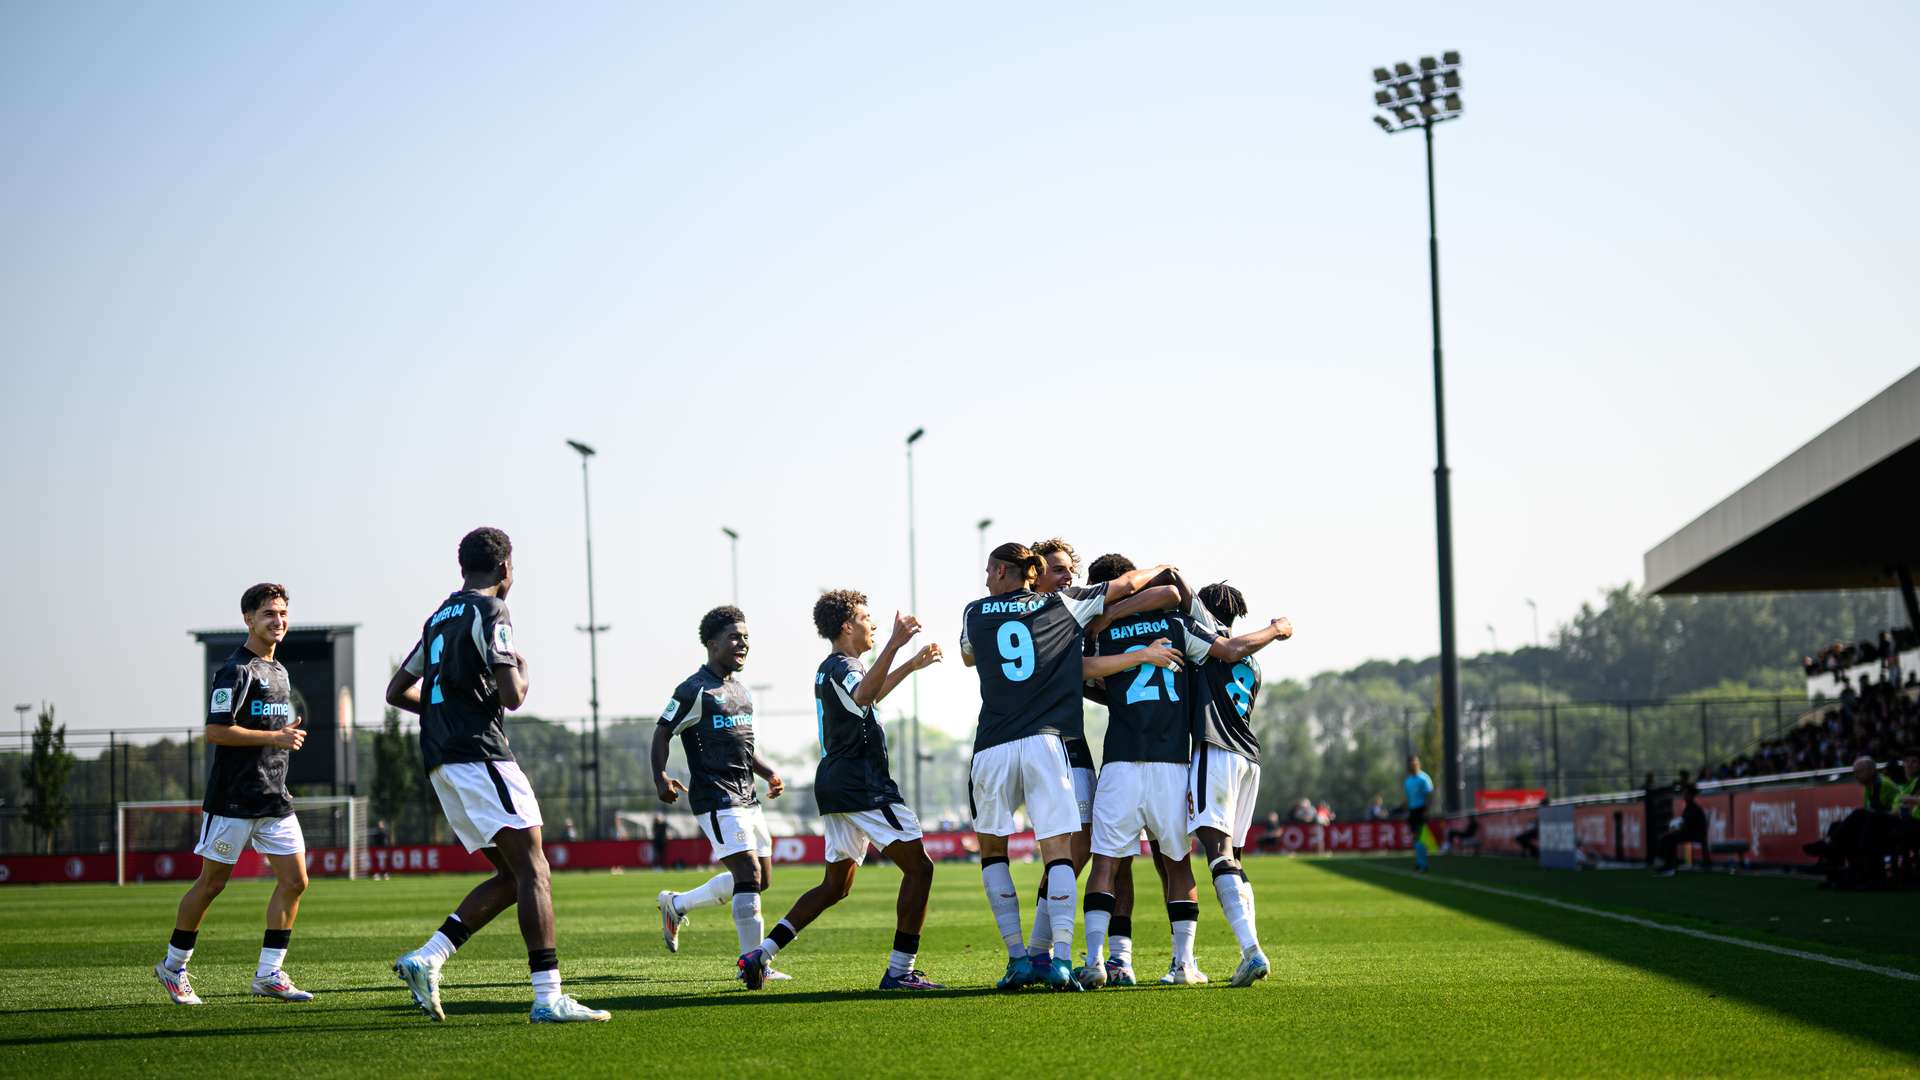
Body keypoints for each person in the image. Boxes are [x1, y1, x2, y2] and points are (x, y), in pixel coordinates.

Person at [388, 528, 609, 1023]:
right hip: (481, 755)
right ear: (506, 568)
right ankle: (549, 997)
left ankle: (429, 957)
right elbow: (512, 695)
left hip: (442, 760)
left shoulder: (437, 619)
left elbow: (397, 690)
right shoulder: (492, 611)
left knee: (513, 876)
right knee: (535, 871)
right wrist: (523, 672)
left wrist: (447, 712)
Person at [962, 540, 1177, 991]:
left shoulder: (973, 612)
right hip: (1048, 742)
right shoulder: (1066, 605)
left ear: (1002, 572)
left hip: (995, 745)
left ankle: (1022, 957)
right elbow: (1126, 585)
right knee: (1061, 851)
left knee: (1000, 850)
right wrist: (1161, 567)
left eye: (988, 570)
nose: (984, 577)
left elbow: (969, 654)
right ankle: (1057, 958)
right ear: (1033, 573)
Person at [1078, 562, 1290, 990]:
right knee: (1179, 865)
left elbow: (1089, 678)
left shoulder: (1102, 635)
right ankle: (1185, 964)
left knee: (1105, 864)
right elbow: (1206, 631)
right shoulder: (1185, 632)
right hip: (1177, 764)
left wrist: (1109, 627)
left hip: (1121, 760)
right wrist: (1276, 629)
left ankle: (1098, 961)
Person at [739, 590, 944, 990]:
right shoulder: (844, 665)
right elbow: (864, 693)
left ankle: (759, 955)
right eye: (868, 618)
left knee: (836, 886)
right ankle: (900, 971)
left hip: (836, 782)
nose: (875, 624)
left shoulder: (835, 668)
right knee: (920, 869)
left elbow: (867, 694)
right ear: (847, 626)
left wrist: (908, 665)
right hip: (861, 784)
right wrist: (896, 643)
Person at [154, 582, 313, 1006]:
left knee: (296, 881)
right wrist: (275, 737)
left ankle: (269, 974)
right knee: (212, 884)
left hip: (274, 799)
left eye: (282, 613)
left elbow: (273, 737)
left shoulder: (280, 671)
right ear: (248, 619)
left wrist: (281, 744)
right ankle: (173, 967)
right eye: (268, 614)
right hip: (234, 800)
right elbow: (215, 732)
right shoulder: (235, 670)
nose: (277, 621)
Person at [653, 606, 788, 984]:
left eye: (745, 636)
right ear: (711, 644)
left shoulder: (742, 692)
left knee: (761, 881)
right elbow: (663, 731)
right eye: (734, 636)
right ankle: (754, 964)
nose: (742, 642)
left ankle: (676, 905)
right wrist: (660, 775)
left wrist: (769, 773)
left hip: (748, 797)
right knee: (747, 873)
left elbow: (744, 747)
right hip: (715, 797)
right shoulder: (694, 690)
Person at [1186, 581, 1294, 988]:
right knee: (1235, 859)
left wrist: (1275, 629)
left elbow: (1223, 649)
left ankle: (1252, 951)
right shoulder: (1254, 665)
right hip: (1250, 758)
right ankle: (1250, 947)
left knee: (1217, 852)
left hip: (1216, 751)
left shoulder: (1208, 646)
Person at [1654, 786, 1707, 875]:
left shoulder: (1694, 809)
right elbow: (1683, 824)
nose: (1684, 796)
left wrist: (1674, 831)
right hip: (1688, 832)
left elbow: (1687, 825)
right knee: (1667, 837)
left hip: (1695, 834)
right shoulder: (1688, 808)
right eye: (1684, 794)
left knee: (1669, 838)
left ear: (1691, 795)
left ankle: (1669, 866)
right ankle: (1667, 864)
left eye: (1686, 794)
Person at [1403, 756, 1435, 872]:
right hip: (1412, 812)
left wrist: (1427, 810)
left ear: (1418, 764)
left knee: (1421, 838)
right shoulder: (1408, 781)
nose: (1412, 765)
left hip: (1421, 810)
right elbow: (1407, 798)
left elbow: (1429, 795)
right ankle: (1419, 862)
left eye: (1414, 763)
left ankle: (1423, 864)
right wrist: (1406, 811)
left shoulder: (1424, 778)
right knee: (1415, 838)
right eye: (1410, 764)